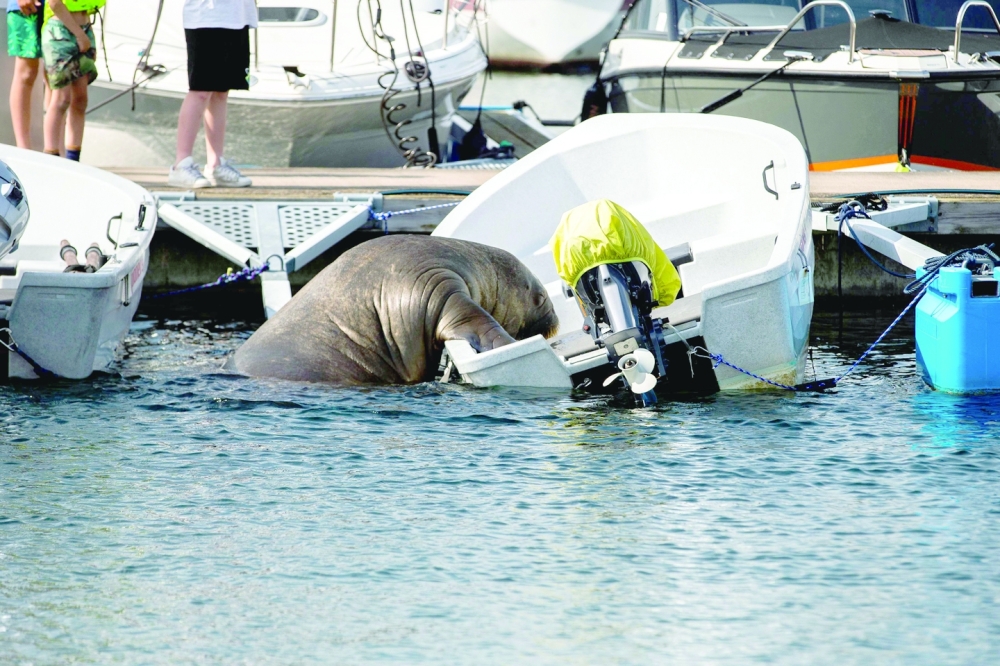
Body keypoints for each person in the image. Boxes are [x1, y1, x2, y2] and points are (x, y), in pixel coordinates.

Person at [168, 0, 256, 189]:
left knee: (221, 92)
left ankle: (215, 164)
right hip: (205, 18)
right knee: (201, 91)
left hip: (237, 17)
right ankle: (180, 165)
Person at [41, 0, 102, 161]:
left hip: (84, 28)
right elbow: (55, 3)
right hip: (60, 31)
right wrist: (80, 35)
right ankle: (51, 157)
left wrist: (86, 35)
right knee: (61, 99)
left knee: (80, 99)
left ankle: (73, 159)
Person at [7, 0, 44, 149]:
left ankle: (55, 151)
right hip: (27, 6)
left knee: (56, 76)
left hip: (63, 8)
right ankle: (23, 148)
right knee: (26, 73)